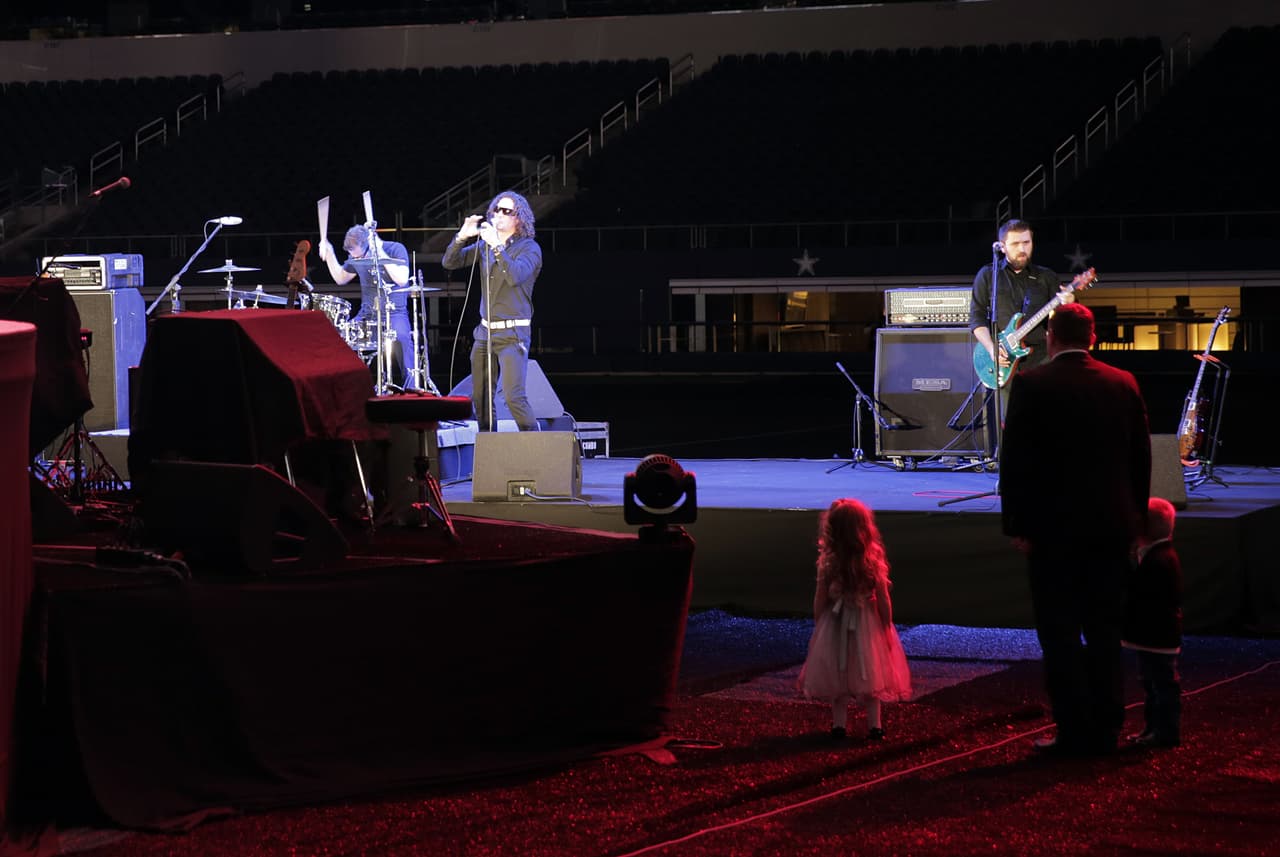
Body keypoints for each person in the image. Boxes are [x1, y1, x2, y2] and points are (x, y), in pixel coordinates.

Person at [1000, 302, 1152, 757]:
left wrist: (1017, 526)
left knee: (1059, 633)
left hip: (1052, 533)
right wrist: (1136, 521)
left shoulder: (1031, 384)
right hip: (1110, 528)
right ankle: (1107, 728)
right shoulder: (1123, 383)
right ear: (1093, 338)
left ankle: (1072, 730)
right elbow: (1140, 461)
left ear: (1050, 337)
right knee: (1105, 631)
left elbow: (1017, 464)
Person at [798, 498, 912, 741]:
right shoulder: (872, 559)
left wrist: (820, 627)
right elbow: (883, 599)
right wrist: (885, 625)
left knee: (839, 673)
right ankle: (875, 726)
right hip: (866, 624)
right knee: (869, 673)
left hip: (837, 623)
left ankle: (839, 726)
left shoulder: (829, 561)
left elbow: (820, 597)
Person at [969, 219, 1074, 454]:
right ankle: (1012, 476)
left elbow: (1060, 320)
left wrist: (1067, 304)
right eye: (1015, 243)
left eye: (1026, 242)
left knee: (1046, 418)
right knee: (1013, 422)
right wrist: (991, 348)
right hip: (1005, 360)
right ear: (1002, 246)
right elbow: (976, 318)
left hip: (1041, 358)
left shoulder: (1046, 277)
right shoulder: (988, 276)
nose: (1022, 248)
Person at [442, 190, 543, 432]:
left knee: (513, 396)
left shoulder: (529, 248)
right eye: (496, 209)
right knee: (481, 399)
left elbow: (515, 276)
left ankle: (538, 449)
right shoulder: (485, 247)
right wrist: (461, 237)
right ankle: (490, 449)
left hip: (513, 334)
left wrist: (497, 245)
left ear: (519, 218)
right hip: (485, 333)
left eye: (506, 211)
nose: (498, 214)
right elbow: (449, 263)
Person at [318, 224, 416, 390]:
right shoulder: (357, 256)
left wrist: (379, 251)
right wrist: (329, 253)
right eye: (352, 257)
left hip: (394, 313)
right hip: (367, 314)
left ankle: (413, 389)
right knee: (341, 337)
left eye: (358, 256)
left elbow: (401, 279)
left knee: (402, 339)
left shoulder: (395, 249)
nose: (356, 260)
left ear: (369, 245)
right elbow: (341, 278)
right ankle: (347, 389)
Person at [1122, 497, 1184, 748]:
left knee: (1161, 686)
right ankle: (1153, 729)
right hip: (1154, 636)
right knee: (1152, 685)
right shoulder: (1157, 555)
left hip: (1156, 635)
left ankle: (1165, 732)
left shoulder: (1159, 560)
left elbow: (1143, 595)